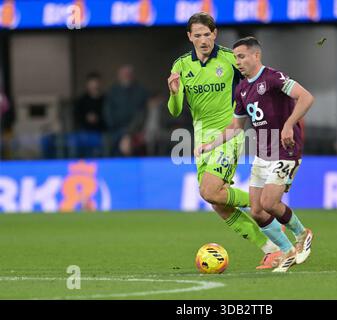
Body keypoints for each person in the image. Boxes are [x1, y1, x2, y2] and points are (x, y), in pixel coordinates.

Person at [167, 13, 281, 269]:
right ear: (190, 37)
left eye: (207, 34)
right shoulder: (181, 65)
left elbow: (258, 81)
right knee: (217, 201)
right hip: (201, 140)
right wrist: (174, 94)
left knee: (209, 190)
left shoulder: (231, 59)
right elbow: (175, 110)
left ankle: (263, 202)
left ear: (214, 34)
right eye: (197, 35)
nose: (203, 40)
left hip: (227, 134)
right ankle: (271, 248)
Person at [195, 37, 315, 272]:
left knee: (269, 202)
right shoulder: (242, 89)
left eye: (242, 56)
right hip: (263, 151)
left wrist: (289, 124)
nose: (238, 62)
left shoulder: (273, 77)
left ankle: (302, 234)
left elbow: (306, 97)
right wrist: (210, 145)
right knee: (257, 211)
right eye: (235, 57)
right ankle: (287, 251)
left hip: (285, 148)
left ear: (256, 56)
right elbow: (236, 127)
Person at [104, 65, 149, 156]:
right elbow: (107, 113)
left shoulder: (141, 91)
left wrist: (129, 132)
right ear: (119, 76)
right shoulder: (112, 92)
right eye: (123, 74)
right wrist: (115, 128)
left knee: (133, 144)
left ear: (132, 76)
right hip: (115, 129)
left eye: (128, 74)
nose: (126, 76)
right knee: (111, 144)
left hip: (136, 130)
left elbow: (142, 114)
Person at [71, 72, 105, 158]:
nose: (94, 86)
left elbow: (108, 117)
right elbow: (77, 116)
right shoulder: (81, 100)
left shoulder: (105, 100)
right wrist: (86, 118)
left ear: (100, 84)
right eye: (92, 84)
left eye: (96, 83)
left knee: (96, 143)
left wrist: (97, 119)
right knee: (75, 141)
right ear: (87, 85)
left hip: (100, 132)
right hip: (83, 131)